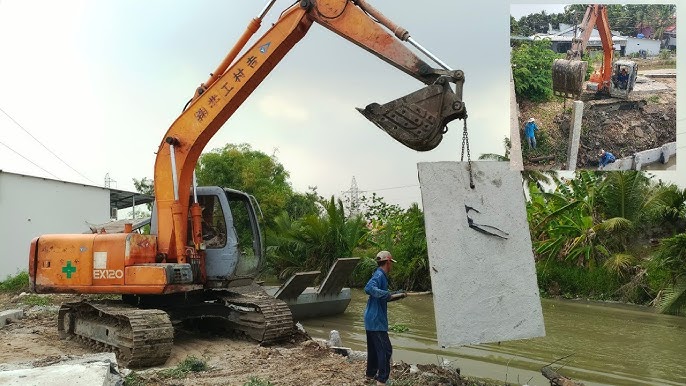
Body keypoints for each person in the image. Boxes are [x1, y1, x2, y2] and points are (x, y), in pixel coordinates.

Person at [364, 250, 406, 386]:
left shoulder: (380, 275)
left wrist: (396, 295)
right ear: (388, 262)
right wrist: (388, 294)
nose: (391, 266)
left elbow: (382, 296)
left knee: (374, 349)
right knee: (386, 350)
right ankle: (382, 380)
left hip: (370, 317)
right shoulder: (379, 275)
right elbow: (369, 288)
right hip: (376, 320)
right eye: (391, 263)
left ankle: (370, 375)